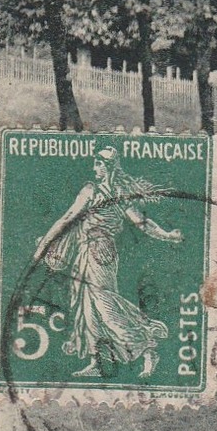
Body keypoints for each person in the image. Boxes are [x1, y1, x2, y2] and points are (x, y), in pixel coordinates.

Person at [37, 147, 179, 378]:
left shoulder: (118, 192)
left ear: (108, 166)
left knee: (105, 305)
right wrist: (45, 242)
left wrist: (166, 235)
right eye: (95, 164)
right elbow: (68, 217)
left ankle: (146, 347)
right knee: (86, 307)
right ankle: (98, 361)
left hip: (102, 253)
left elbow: (142, 222)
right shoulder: (90, 190)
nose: (95, 169)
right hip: (84, 252)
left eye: (98, 164)